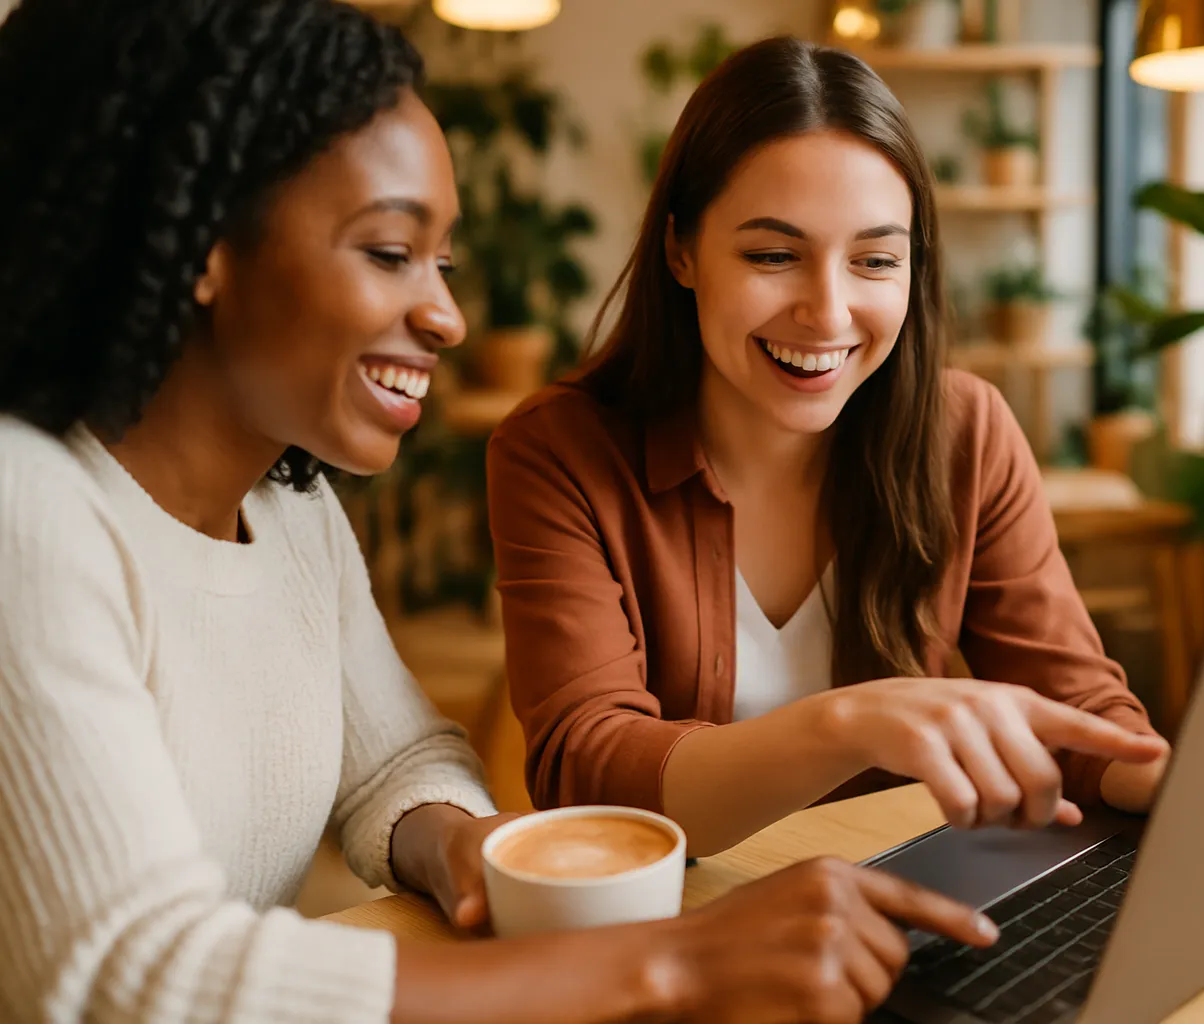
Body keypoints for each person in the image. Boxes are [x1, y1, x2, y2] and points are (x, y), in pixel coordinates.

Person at [0, 3, 999, 1022]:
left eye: (443, 262)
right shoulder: (25, 503)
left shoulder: (290, 514)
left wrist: (457, 843)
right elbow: (133, 970)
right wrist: (673, 963)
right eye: (389, 251)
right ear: (204, 244)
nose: (447, 316)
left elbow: (394, 765)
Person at [486, 36, 1171, 859]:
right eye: (774, 255)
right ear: (681, 251)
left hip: (897, 904)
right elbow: (585, 767)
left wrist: (1168, 778)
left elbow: (1073, 707)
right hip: (691, 915)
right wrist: (849, 726)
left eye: (875, 260)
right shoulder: (557, 451)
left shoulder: (967, 433)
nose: (829, 313)